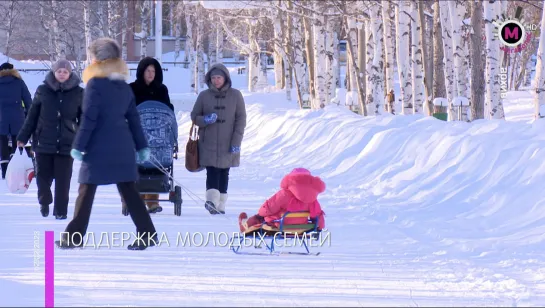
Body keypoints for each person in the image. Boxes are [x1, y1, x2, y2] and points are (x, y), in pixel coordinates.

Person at [56, 38, 157, 251]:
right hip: (122, 148)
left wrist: (78, 145)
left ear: (98, 59)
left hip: (98, 148)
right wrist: (141, 146)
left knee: (86, 189)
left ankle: (74, 237)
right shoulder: (123, 86)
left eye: (91, 56)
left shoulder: (95, 84)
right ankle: (148, 233)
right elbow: (134, 119)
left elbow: (89, 118)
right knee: (129, 190)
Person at [16, 59, 83, 219]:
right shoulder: (43, 90)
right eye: (59, 71)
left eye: (65, 72)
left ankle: (60, 212)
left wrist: (81, 138)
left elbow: (84, 119)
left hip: (67, 144)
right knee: (43, 177)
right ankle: (44, 202)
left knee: (63, 181)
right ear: (54, 72)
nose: (61, 74)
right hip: (43, 141)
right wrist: (23, 137)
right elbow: (32, 116)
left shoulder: (79, 93)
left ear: (70, 74)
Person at [190, 63, 246, 215]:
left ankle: (220, 204)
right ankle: (212, 202)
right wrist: (205, 120)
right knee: (212, 171)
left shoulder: (236, 95)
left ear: (225, 78)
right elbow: (194, 116)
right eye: (213, 78)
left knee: (224, 172)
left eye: (219, 77)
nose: (216, 80)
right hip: (208, 142)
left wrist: (236, 142)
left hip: (228, 142)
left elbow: (241, 120)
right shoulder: (204, 96)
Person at [122, 56, 173, 214]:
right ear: (141, 72)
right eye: (148, 71)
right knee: (136, 167)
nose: (151, 74)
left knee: (155, 165)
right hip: (137, 133)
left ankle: (152, 201)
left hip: (159, 134)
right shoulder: (132, 88)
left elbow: (168, 109)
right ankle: (132, 200)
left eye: (153, 71)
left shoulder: (161, 89)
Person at [238, 168, 326, 233]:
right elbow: (318, 214)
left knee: (260, 217)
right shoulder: (312, 198)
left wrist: (261, 213)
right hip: (301, 227)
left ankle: (245, 225)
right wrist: (319, 226)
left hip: (280, 225)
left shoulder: (284, 194)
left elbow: (268, 208)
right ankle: (246, 224)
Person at [0, 62, 32, 179]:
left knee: (2, 143)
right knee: (17, 142)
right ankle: (16, 171)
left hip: (1, 117)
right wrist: (30, 115)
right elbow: (28, 100)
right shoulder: (19, 82)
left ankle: (4, 171)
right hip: (17, 117)